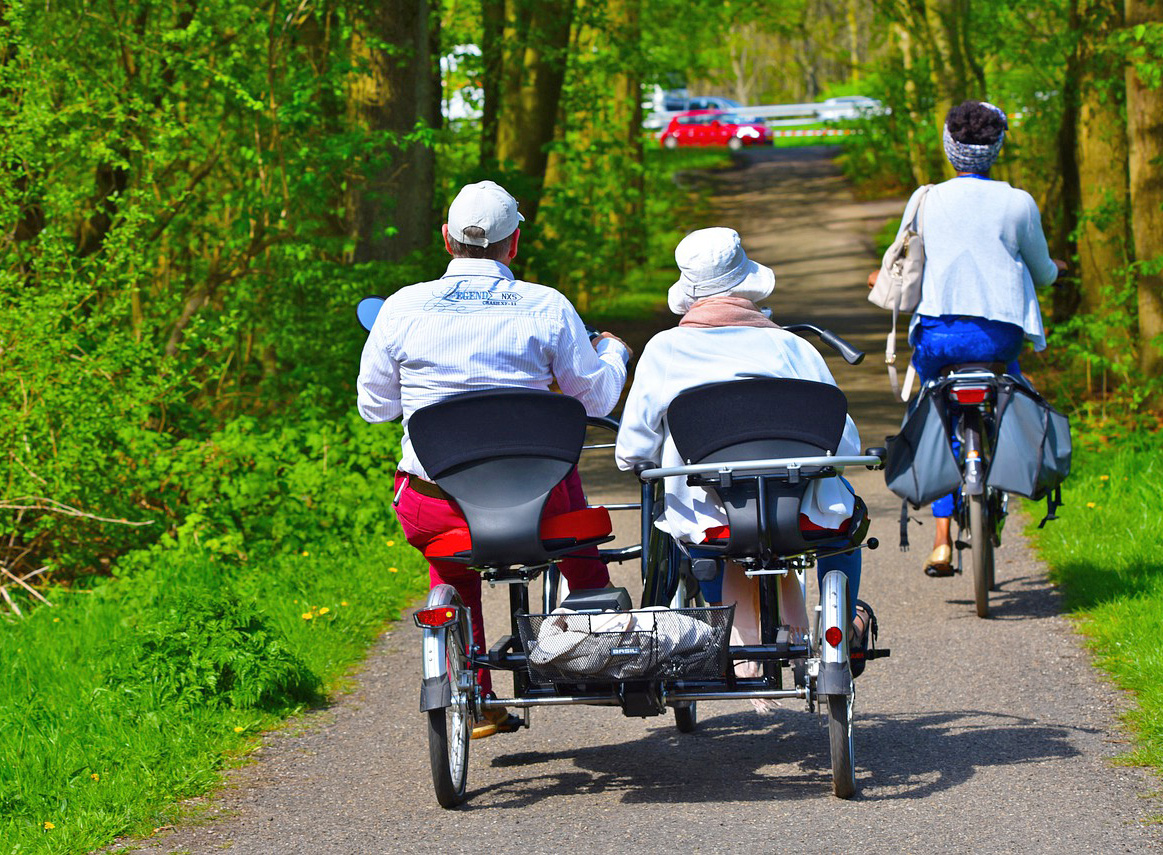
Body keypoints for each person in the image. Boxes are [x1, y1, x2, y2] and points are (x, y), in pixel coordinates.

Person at [357, 180, 632, 737]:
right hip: (537, 508)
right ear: (513, 245)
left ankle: (473, 688)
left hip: (440, 507)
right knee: (564, 489)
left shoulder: (402, 307)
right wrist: (614, 354)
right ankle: (597, 641)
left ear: (446, 239)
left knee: (452, 556)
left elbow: (375, 406)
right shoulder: (546, 305)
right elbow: (597, 398)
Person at [616, 227, 874, 681]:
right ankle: (845, 621)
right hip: (798, 515)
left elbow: (632, 453)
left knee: (679, 525)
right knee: (845, 515)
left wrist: (650, 463)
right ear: (746, 281)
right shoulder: (793, 348)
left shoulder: (664, 350)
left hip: (713, 521)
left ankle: (723, 630)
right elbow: (845, 444)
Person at [868, 100, 1065, 577]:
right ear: (996, 148)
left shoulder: (926, 199)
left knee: (930, 415)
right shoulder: (1018, 202)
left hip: (938, 336)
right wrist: (1058, 270)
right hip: (999, 339)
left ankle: (939, 538)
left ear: (949, 148)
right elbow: (1042, 271)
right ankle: (1002, 472)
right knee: (1012, 391)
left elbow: (907, 261)